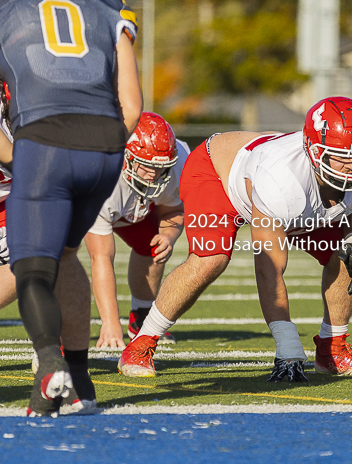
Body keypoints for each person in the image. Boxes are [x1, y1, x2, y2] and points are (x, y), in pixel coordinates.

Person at [118, 96, 352, 381]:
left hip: (286, 189)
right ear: (314, 150)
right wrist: (286, 343)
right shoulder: (282, 179)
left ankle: (332, 350)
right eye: (343, 156)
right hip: (218, 174)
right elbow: (268, 267)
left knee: (347, 254)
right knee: (210, 259)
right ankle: (141, 344)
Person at [0, 0, 142, 416]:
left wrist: (23, 160)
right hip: (105, 151)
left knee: (34, 269)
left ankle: (50, 365)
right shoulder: (109, 11)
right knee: (65, 254)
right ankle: (80, 385)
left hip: (43, 146)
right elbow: (132, 106)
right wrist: (108, 146)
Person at [85, 112, 189, 349]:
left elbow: (172, 210)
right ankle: (55, 334)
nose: (154, 174)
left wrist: (169, 236)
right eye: (147, 165)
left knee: (154, 243)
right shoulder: (101, 174)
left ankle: (142, 315)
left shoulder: (178, 163)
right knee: (58, 258)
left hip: (134, 201)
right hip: (79, 203)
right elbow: (101, 257)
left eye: (161, 167)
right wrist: (110, 323)